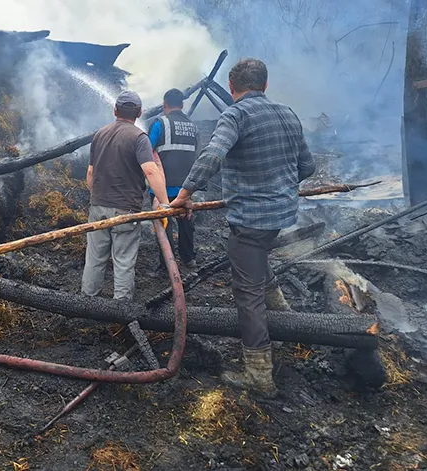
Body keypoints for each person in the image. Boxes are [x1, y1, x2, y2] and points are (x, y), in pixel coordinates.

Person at [170, 58, 316, 396]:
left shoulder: (235, 114)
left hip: (251, 219)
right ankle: (285, 317)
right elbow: (306, 167)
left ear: (233, 89)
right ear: (265, 86)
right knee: (258, 262)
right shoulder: (289, 114)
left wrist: (185, 195)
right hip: (280, 215)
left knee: (246, 295)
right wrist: (278, 182)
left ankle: (259, 374)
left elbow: (212, 156)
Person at [82, 91, 170, 302]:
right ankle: (121, 307)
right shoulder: (139, 138)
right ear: (139, 113)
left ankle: (86, 301)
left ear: (115, 110)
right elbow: (150, 171)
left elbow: (91, 173)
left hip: (98, 207)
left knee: (94, 258)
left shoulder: (100, 134)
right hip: (126, 210)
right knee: (123, 260)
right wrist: (166, 203)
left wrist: (97, 197)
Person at [148, 88, 200, 272]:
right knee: (186, 221)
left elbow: (147, 150)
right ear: (182, 105)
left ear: (164, 104)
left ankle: (166, 264)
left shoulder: (160, 123)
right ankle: (188, 258)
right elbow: (196, 156)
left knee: (164, 225)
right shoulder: (193, 127)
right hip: (185, 188)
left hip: (162, 187)